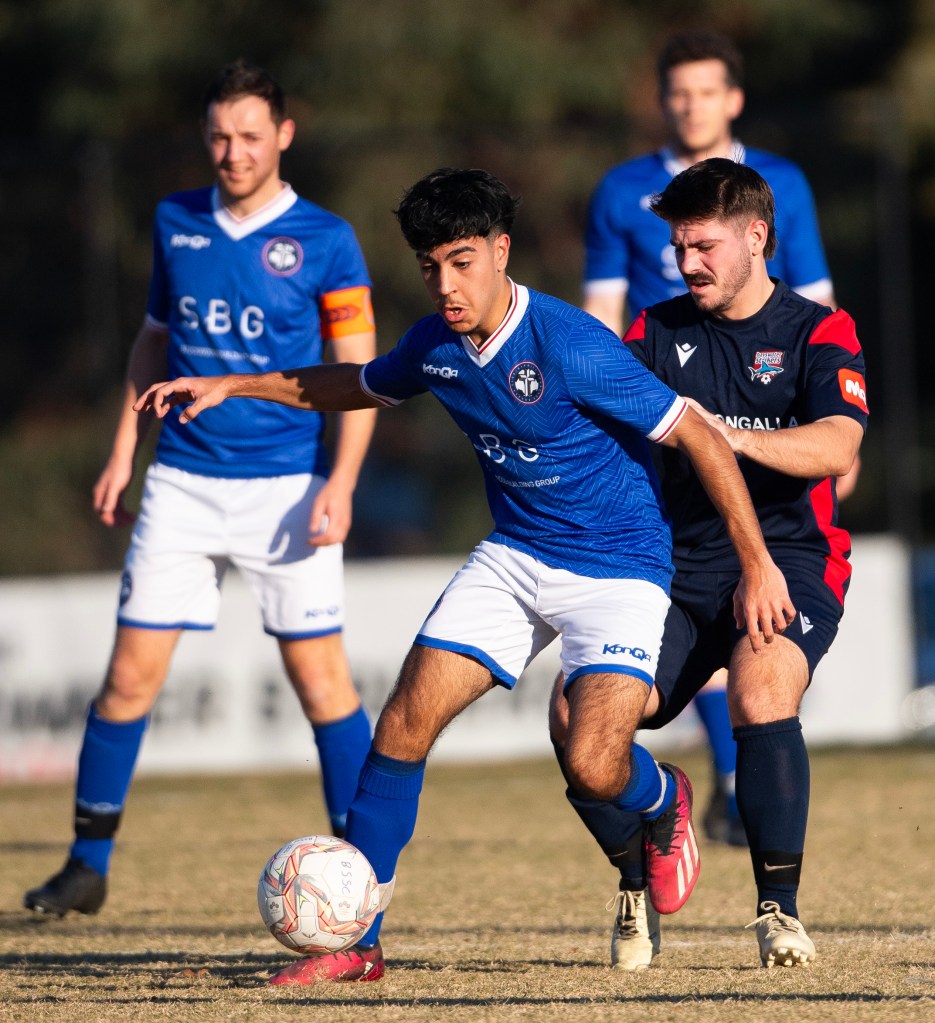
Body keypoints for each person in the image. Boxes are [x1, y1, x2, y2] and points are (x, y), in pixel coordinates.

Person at [134, 167, 794, 984]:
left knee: (594, 763)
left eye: (461, 261)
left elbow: (696, 434)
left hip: (619, 566)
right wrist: (233, 383)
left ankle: (660, 800)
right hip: (516, 553)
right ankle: (357, 944)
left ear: (500, 251)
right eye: (429, 266)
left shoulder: (569, 342)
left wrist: (756, 563)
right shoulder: (435, 346)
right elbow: (356, 383)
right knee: (402, 723)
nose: (445, 284)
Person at [24, 61, 377, 918]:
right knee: (127, 680)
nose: (233, 152)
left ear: (283, 135)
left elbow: (359, 375)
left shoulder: (327, 238)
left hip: (286, 487)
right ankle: (86, 864)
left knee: (322, 685)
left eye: (250, 135)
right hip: (182, 481)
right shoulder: (175, 219)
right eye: (219, 136)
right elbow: (153, 341)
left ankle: (365, 872)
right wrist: (124, 450)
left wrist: (340, 480)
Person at [551, 158, 867, 970]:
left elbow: (837, 445)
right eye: (678, 248)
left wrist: (722, 435)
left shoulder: (818, 330)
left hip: (789, 558)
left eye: (703, 246)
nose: (686, 263)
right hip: (673, 565)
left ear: (756, 237)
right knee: (574, 717)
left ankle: (777, 910)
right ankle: (639, 870)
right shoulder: (652, 333)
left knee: (760, 689)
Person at [583, 30, 836, 847]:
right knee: (650, 646)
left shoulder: (778, 184)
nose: (690, 106)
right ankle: (700, 794)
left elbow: (814, 306)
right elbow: (600, 318)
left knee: (757, 648)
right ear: (662, 101)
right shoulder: (622, 189)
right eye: (678, 92)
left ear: (732, 99)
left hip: (759, 409)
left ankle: (737, 797)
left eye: (705, 91)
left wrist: (817, 430)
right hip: (665, 405)